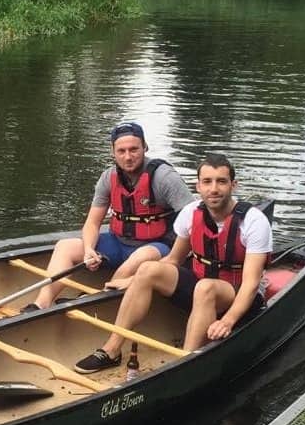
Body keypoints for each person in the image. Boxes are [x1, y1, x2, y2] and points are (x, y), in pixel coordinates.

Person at [73, 153, 273, 373]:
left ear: (233, 185)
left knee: (205, 288)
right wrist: (133, 280)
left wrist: (227, 321)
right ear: (198, 186)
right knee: (149, 268)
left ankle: (183, 364)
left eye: (221, 181)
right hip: (201, 284)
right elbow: (173, 260)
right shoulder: (191, 213)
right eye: (207, 182)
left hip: (237, 293)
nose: (213, 189)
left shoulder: (253, 221)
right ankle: (111, 350)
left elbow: (251, 284)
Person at [23, 121, 195, 316]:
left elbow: (194, 218)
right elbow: (93, 222)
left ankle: (96, 299)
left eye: (134, 150)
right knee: (65, 246)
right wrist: (88, 250)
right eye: (121, 151)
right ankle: (41, 304)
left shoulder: (164, 177)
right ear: (112, 152)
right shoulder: (108, 177)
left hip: (157, 245)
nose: (128, 157)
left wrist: (182, 255)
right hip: (118, 243)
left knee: (141, 256)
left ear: (145, 147)